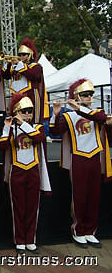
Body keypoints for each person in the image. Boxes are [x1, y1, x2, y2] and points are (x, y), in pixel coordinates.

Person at [49, 79, 112, 248]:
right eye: (85, 95)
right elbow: (55, 132)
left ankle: (90, 231)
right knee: (80, 196)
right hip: (78, 158)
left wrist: (80, 108)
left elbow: (102, 118)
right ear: (76, 96)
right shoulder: (69, 116)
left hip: (95, 157)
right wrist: (55, 114)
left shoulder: (96, 112)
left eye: (90, 94)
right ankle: (78, 230)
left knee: (94, 196)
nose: (89, 97)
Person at [0, 93, 51, 254]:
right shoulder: (11, 129)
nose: (27, 114)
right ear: (16, 112)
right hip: (17, 171)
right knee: (18, 208)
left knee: (33, 207)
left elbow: (39, 137)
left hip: (33, 170)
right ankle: (19, 240)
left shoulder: (37, 127)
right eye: (24, 111)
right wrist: (7, 128)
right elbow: (1, 146)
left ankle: (30, 239)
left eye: (30, 111)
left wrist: (23, 124)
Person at [3, 38, 49, 123]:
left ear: (30, 55)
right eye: (20, 54)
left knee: (32, 120)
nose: (21, 57)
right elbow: (5, 76)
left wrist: (20, 64)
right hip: (16, 97)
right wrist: (9, 65)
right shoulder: (16, 66)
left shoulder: (35, 66)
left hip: (30, 96)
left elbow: (33, 76)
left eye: (24, 54)